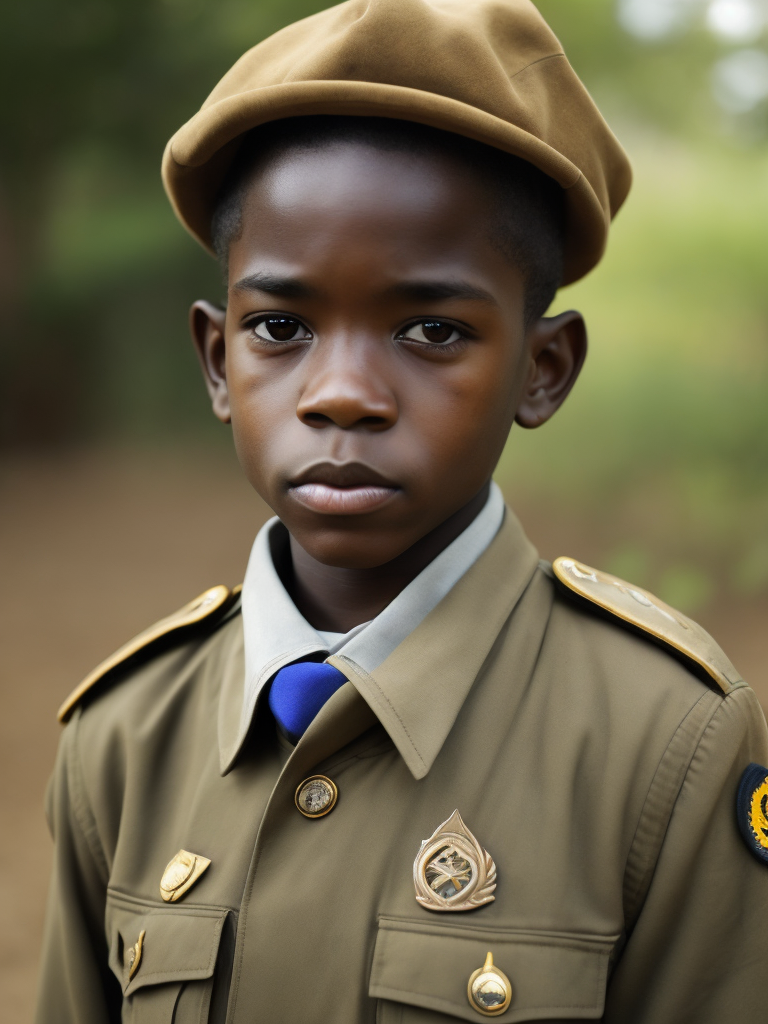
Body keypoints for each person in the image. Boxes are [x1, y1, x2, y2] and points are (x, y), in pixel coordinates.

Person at [35, 1, 768, 1022]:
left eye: (430, 329)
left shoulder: (665, 741)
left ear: (542, 369)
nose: (341, 392)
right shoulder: (123, 736)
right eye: (280, 325)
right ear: (217, 359)